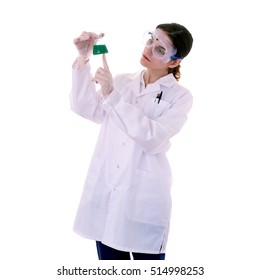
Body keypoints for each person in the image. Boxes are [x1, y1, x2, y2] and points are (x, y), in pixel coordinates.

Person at [70, 22, 193, 260]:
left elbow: (153, 138)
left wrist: (112, 96)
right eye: (151, 40)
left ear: (174, 62)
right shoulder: (123, 80)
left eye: (160, 49)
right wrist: (84, 60)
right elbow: (85, 108)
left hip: (143, 201)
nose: (149, 48)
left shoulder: (181, 97)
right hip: (108, 193)